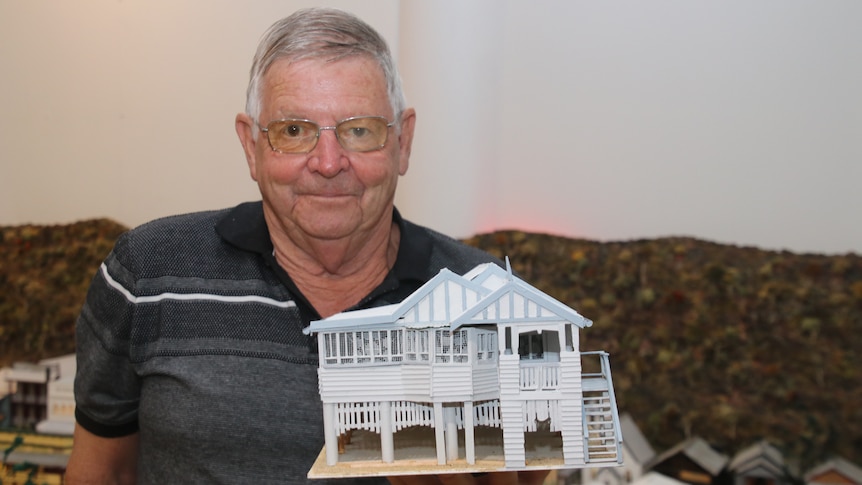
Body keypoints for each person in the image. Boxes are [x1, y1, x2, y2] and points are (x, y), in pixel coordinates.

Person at [65, 7, 548, 485]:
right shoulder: (146, 273)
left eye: (359, 130)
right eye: (293, 131)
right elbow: (101, 471)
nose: (328, 162)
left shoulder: (492, 301)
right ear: (250, 146)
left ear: (403, 142)